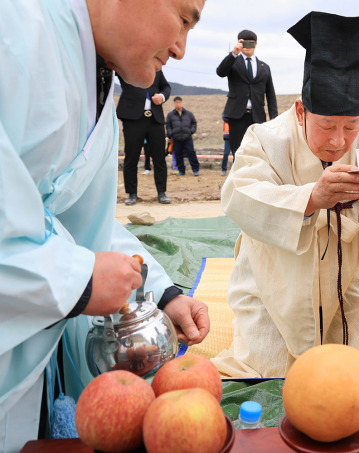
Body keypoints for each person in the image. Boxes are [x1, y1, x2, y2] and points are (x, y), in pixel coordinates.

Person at [0, 0, 210, 450]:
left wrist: (161, 291)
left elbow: (74, 218)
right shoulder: (13, 32)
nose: (180, 49)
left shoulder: (94, 71)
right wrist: (75, 279)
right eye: (184, 19)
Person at [218, 11, 359, 378]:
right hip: (277, 291)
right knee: (273, 372)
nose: (338, 140)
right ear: (301, 111)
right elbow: (238, 195)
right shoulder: (266, 139)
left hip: (349, 290)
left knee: (351, 369)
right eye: (327, 125)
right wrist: (310, 199)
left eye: (349, 126)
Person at [216, 30, 278, 156]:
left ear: (255, 44)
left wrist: (273, 116)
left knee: (257, 152)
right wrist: (234, 53)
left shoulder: (264, 67)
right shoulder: (233, 62)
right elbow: (220, 72)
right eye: (244, 43)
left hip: (257, 115)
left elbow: (270, 93)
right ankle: (237, 176)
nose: (247, 47)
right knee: (238, 151)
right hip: (237, 115)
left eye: (250, 43)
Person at [117, 71, 172, 205]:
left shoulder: (156, 68)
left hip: (155, 119)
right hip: (133, 119)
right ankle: (131, 194)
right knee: (131, 157)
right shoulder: (128, 65)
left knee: (159, 158)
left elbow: (166, 87)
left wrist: (162, 96)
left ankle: (162, 193)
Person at [165, 96, 199, 176]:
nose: (178, 104)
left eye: (179, 102)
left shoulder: (189, 114)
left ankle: (195, 169)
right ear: (174, 103)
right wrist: (171, 133)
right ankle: (181, 171)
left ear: (182, 103)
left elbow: (194, 123)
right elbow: (168, 125)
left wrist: (191, 131)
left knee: (191, 153)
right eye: (176, 102)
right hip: (176, 138)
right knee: (178, 155)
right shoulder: (170, 115)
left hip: (187, 138)